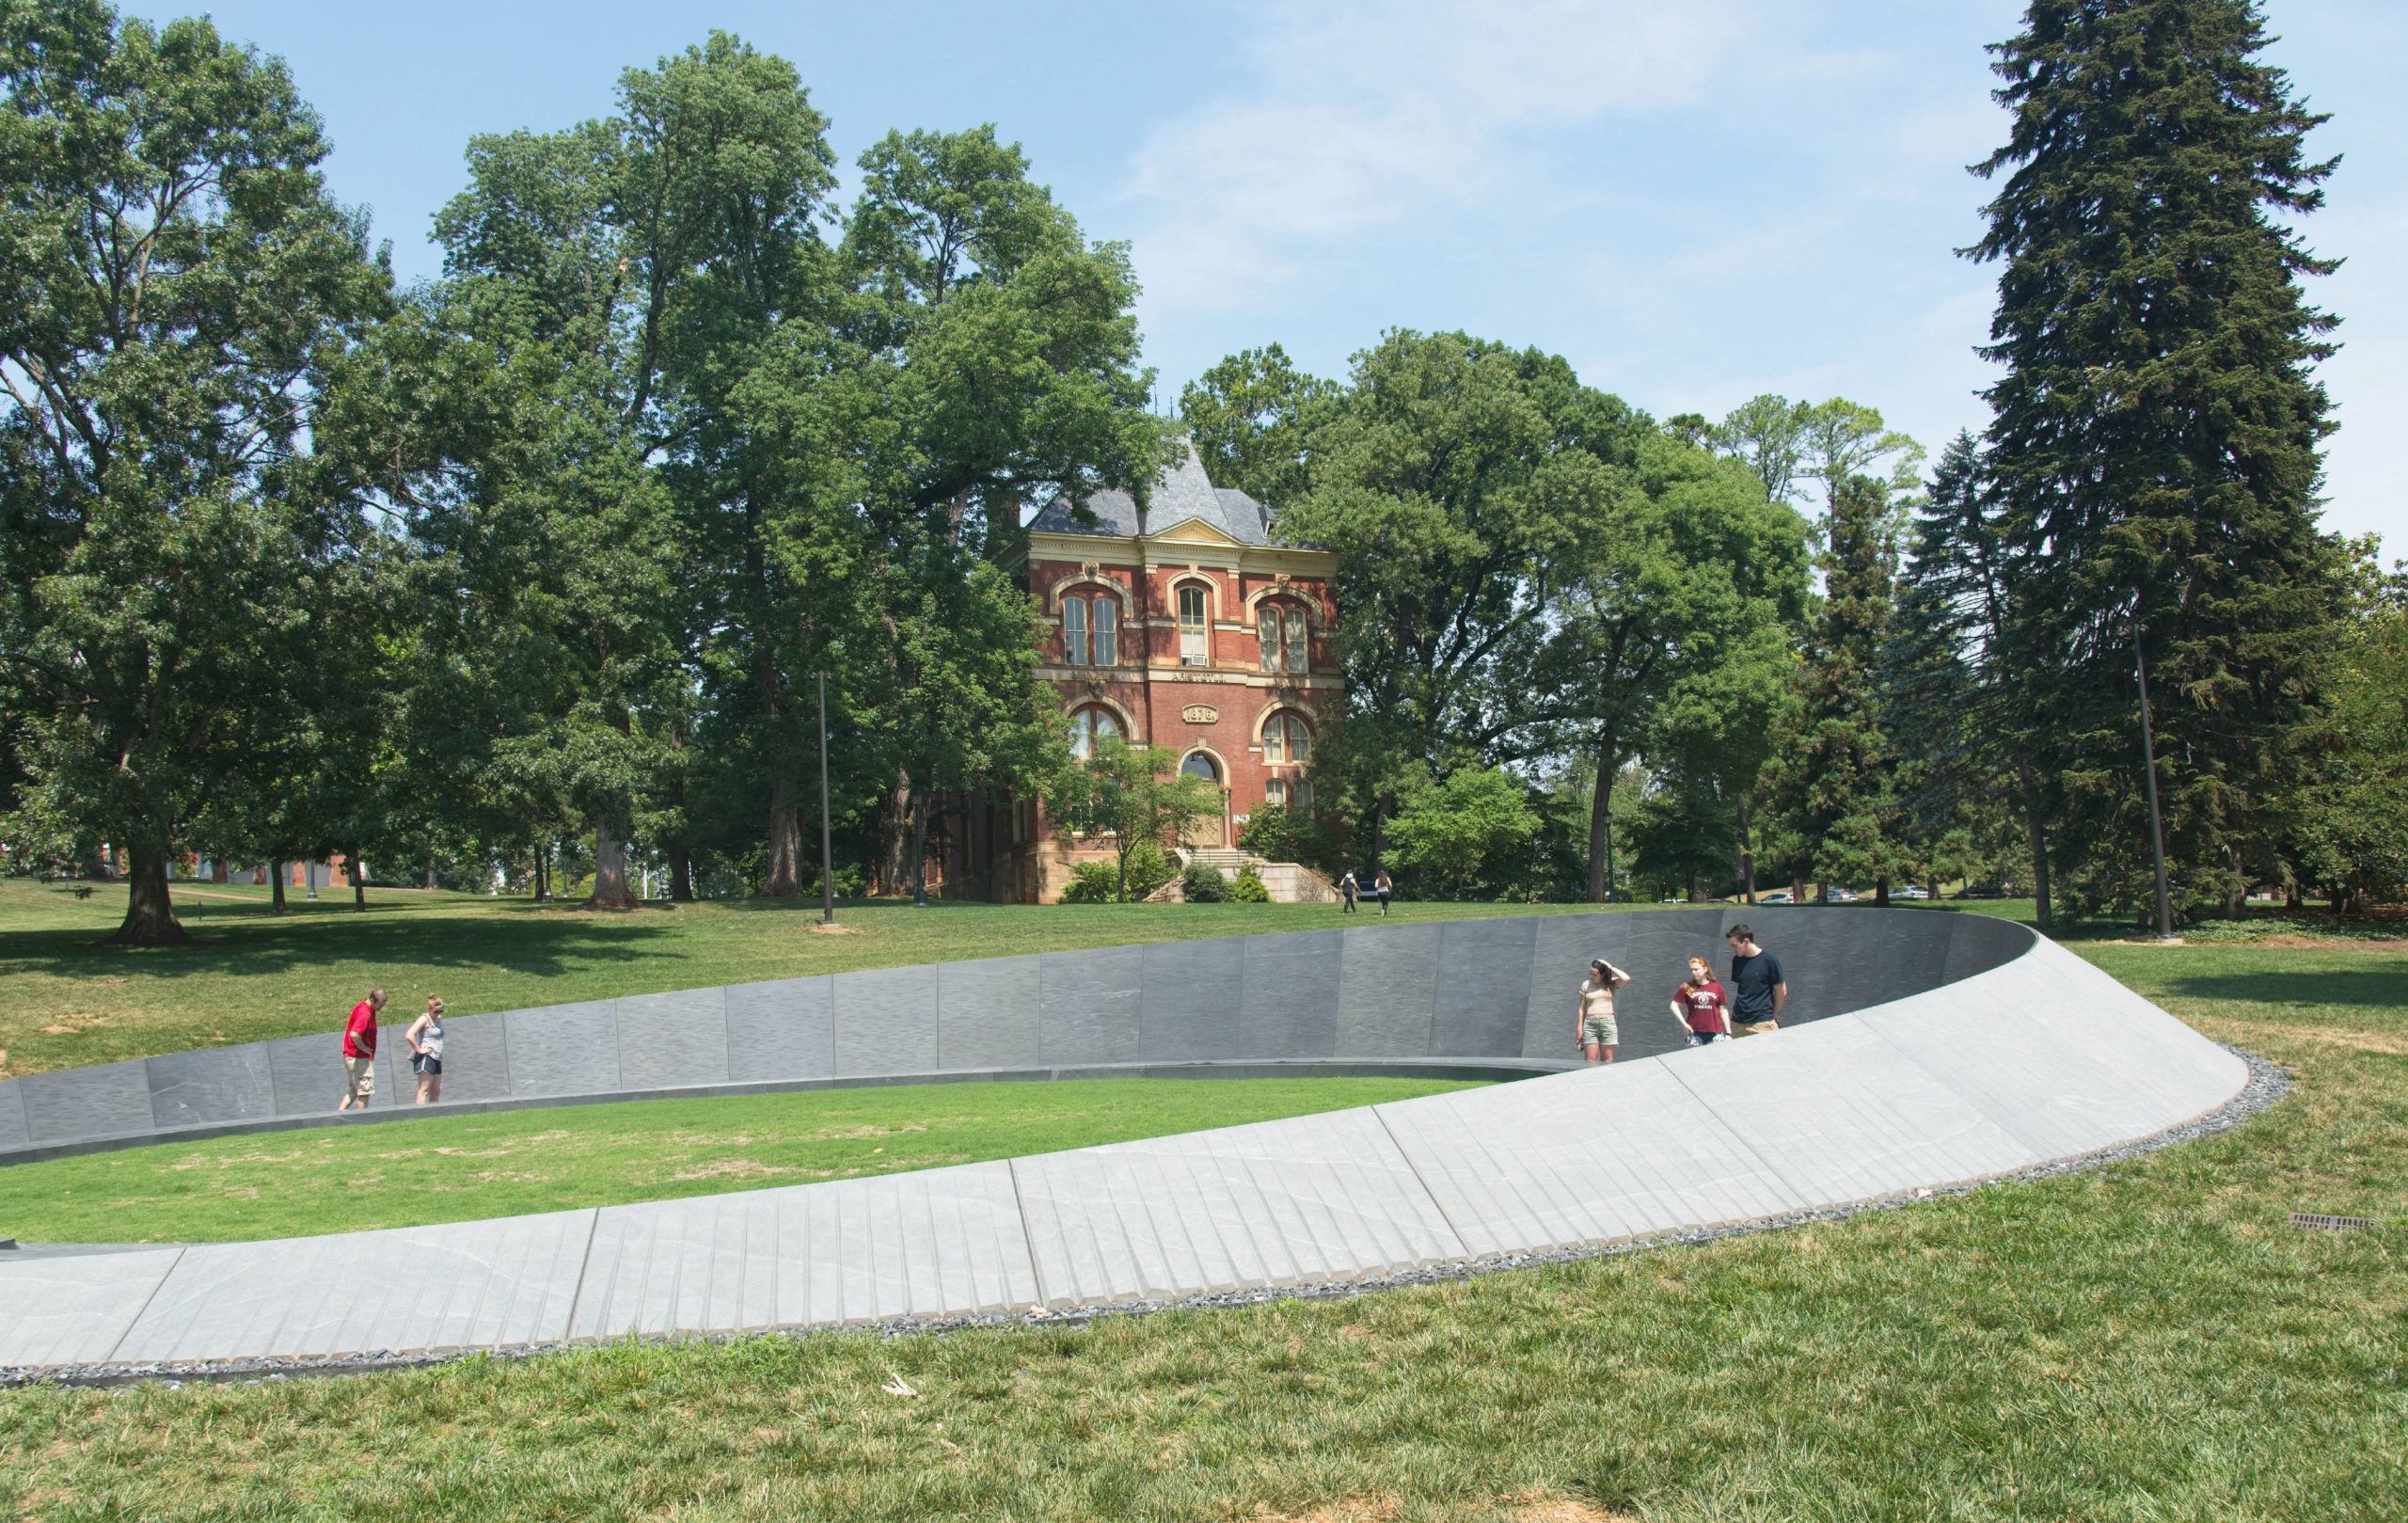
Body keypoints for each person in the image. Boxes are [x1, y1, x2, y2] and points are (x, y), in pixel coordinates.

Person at [1724, 925, 1786, 1037]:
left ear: (1746, 941)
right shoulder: (1737, 960)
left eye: (1735, 945)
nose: (1733, 950)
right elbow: (1744, 989)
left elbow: (1781, 991)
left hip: (1762, 1024)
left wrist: (1771, 1015)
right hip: (1737, 1023)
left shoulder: (1769, 960)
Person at [1575, 957, 1632, 1065]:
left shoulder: (1611, 984)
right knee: (1590, 1062)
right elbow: (1582, 1008)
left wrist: (1610, 967)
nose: (1591, 976)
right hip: (1590, 1024)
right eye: (1590, 973)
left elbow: (1626, 979)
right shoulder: (1586, 985)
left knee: (1607, 1062)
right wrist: (1579, 1029)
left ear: (1603, 975)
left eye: (1595, 974)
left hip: (1608, 1023)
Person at [339, 988, 385, 1110]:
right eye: (380, 1004)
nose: (382, 1008)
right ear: (372, 1000)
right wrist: (364, 1048)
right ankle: (362, 1122)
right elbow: (354, 1034)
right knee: (364, 1092)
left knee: (354, 1091)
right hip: (358, 1058)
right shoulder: (365, 1013)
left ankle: (338, 1115)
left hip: (353, 1056)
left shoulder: (364, 1007)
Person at [1671, 956, 1730, 1046]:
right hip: (1694, 1033)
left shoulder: (1716, 987)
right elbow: (1674, 1005)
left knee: (1717, 1059)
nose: (1693, 972)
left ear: (1705, 969)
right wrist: (1684, 1024)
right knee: (1695, 1059)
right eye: (1692, 970)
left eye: (1696, 969)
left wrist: (1728, 1033)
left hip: (1716, 1033)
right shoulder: (1689, 987)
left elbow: (1723, 1010)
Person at [405, 994, 446, 1105]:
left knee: (436, 1090)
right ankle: (421, 1115)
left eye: (440, 1011)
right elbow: (409, 1035)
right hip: (427, 1058)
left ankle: (434, 1116)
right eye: (436, 1011)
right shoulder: (424, 1019)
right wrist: (419, 1049)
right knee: (424, 1089)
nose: (438, 1014)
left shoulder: (438, 1019)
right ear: (429, 1009)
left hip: (437, 1058)